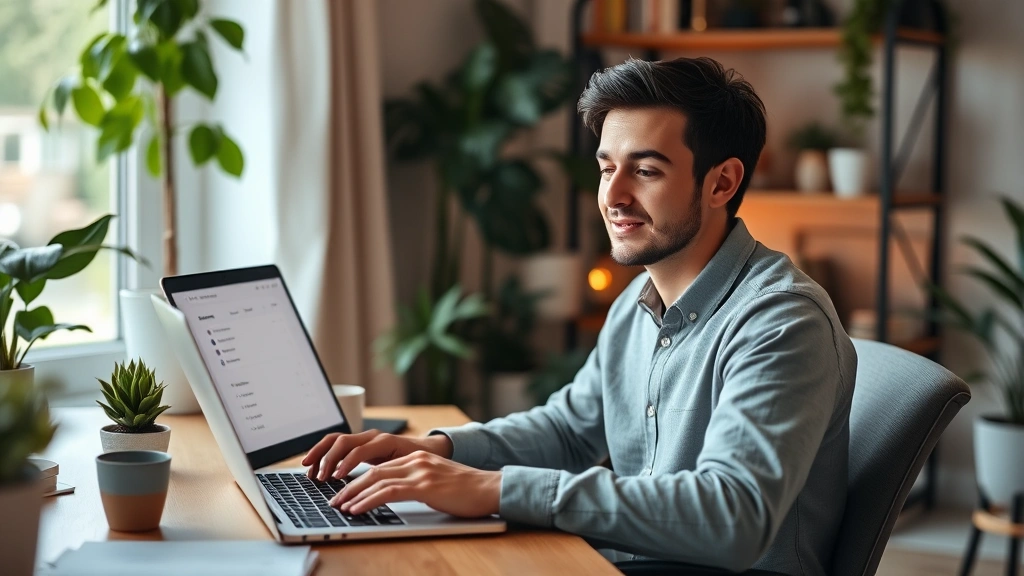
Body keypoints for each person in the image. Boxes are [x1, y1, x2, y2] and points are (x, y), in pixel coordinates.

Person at [302, 57, 856, 575]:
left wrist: (495, 489)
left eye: (645, 171)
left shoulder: (780, 322)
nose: (613, 196)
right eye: (607, 167)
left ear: (722, 183)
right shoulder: (637, 304)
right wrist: (438, 450)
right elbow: (569, 430)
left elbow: (733, 517)